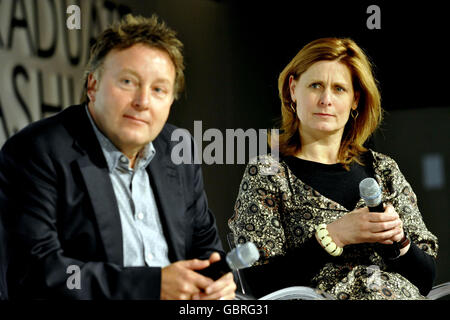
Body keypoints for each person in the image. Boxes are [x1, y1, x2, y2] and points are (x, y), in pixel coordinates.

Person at [0, 14, 235, 300]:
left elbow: (204, 246)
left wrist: (219, 279)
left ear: (171, 101)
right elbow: (36, 272)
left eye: (159, 89)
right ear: (92, 86)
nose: (142, 101)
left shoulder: (177, 150)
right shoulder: (36, 151)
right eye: (127, 81)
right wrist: (151, 286)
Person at [228, 38, 438, 300]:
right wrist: (333, 236)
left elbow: (425, 280)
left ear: (355, 100)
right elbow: (257, 286)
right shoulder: (268, 172)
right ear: (293, 89)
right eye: (316, 85)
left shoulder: (384, 170)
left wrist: (398, 239)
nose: (326, 99)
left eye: (339, 89)